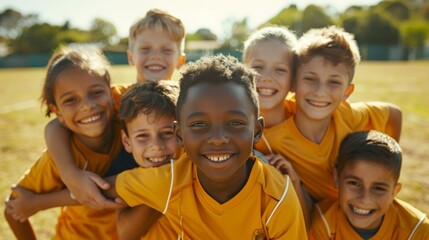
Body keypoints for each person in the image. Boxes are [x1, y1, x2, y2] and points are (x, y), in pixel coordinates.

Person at [104, 54, 307, 239]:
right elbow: (100, 189)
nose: (218, 139)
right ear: (179, 134)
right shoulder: (171, 179)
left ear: (257, 131)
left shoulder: (278, 197)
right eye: (199, 124)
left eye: (235, 123)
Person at [43, 8, 187, 209]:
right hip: (106, 204)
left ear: (180, 60)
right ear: (131, 57)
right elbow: (55, 127)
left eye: (166, 50)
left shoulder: (185, 102)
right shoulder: (117, 97)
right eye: (145, 49)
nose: (156, 56)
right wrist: (69, 172)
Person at [6, 80, 184, 239]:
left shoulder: (189, 162)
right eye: (143, 136)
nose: (156, 145)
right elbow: (102, 191)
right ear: (126, 142)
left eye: (167, 133)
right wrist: (68, 173)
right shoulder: (128, 163)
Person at [253, 25, 402, 203]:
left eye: (334, 82)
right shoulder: (271, 136)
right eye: (310, 79)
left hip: (360, 207)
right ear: (293, 84)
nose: (320, 91)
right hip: (317, 219)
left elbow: (394, 114)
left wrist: (388, 168)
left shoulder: (347, 115)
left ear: (347, 91)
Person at [4, 47, 123, 239]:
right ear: (57, 111)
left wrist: (41, 202)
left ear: (111, 93)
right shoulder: (60, 156)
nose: (87, 105)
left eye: (96, 92)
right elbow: (13, 208)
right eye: (71, 100)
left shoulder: (130, 121)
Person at [242, 25, 312, 228]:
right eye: (257, 67)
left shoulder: (307, 120)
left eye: (280, 69)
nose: (266, 77)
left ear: (293, 80)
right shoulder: (228, 124)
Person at [309, 130, 429, 239]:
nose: (365, 199)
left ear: (394, 191)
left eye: (378, 188)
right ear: (337, 179)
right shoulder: (323, 222)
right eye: (354, 183)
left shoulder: (416, 231)